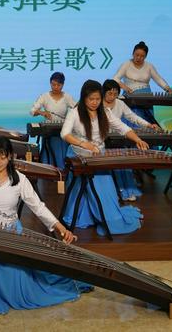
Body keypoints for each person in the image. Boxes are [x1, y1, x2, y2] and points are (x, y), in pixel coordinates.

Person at [0, 137, 90, 314]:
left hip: (12, 233)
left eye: (3, 157)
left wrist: (60, 227)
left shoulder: (20, 179)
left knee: (21, 287)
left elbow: (38, 207)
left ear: (10, 156)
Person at [60, 80, 147, 236]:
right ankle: (83, 217)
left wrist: (137, 139)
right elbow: (64, 134)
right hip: (78, 155)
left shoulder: (105, 113)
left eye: (97, 99)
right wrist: (84, 144)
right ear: (84, 97)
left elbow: (123, 128)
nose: (94, 103)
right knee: (81, 188)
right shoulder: (75, 113)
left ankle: (107, 218)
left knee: (104, 188)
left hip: (98, 156)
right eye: (91, 99)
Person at [102, 79, 159, 201]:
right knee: (110, 163)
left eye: (115, 93)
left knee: (123, 161)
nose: (112, 96)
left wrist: (148, 125)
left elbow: (133, 117)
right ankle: (115, 192)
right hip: (102, 140)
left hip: (118, 137)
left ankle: (127, 190)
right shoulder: (98, 105)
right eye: (109, 93)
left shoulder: (120, 103)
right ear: (104, 92)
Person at [112, 40, 172, 124]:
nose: (138, 58)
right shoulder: (126, 64)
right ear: (133, 53)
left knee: (147, 121)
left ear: (145, 56)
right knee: (133, 118)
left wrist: (167, 89)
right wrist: (125, 87)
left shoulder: (149, 66)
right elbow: (115, 78)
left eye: (142, 56)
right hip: (131, 95)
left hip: (146, 96)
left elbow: (158, 79)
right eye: (136, 55)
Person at [29, 71, 76, 169]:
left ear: (63, 85)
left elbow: (77, 109)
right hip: (49, 128)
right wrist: (42, 112)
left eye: (58, 85)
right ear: (50, 83)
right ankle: (49, 169)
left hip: (63, 128)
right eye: (53, 84)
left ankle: (62, 169)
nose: (55, 87)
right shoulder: (44, 96)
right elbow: (32, 111)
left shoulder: (67, 97)